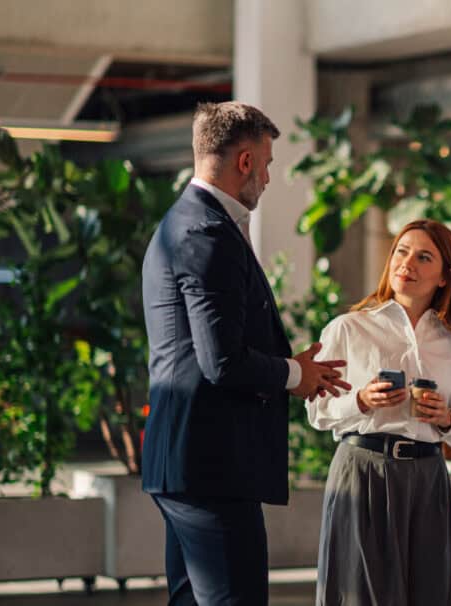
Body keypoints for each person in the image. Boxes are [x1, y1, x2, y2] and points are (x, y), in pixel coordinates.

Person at [141, 101, 351, 605]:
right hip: (211, 467)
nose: (269, 177)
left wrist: (293, 368)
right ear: (245, 162)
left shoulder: (185, 222)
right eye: (268, 163)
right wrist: (291, 374)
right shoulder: (207, 234)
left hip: (189, 464)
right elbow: (222, 361)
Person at [306, 219, 451, 606]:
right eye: (402, 252)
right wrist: (361, 400)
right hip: (362, 471)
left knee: (430, 594)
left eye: (424, 257)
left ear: (445, 276)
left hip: (428, 480)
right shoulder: (348, 329)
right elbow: (317, 411)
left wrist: (447, 419)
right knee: (360, 595)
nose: (408, 263)